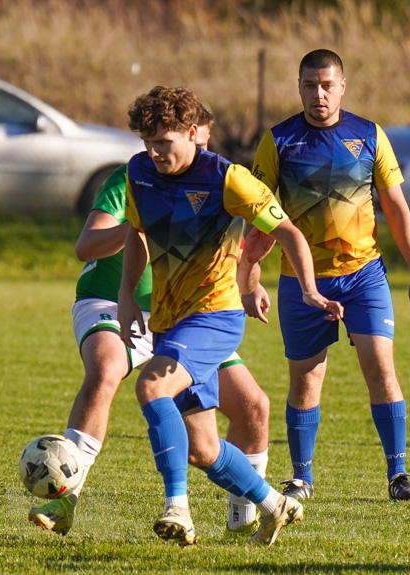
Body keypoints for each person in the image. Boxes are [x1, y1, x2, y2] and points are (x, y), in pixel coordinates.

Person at [28, 107, 272, 538]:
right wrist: (142, 225)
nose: (190, 149)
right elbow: (86, 246)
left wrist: (250, 285)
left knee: (252, 406)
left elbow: (241, 250)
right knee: (106, 369)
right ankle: (66, 498)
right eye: (158, 142)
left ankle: (247, 517)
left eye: (202, 140)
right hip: (112, 300)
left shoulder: (217, 181)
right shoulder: (134, 179)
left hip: (185, 316)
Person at [117, 85, 344, 547]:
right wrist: (125, 295)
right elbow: (137, 235)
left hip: (215, 317)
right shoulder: (138, 172)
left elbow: (288, 232)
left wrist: (309, 290)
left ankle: (177, 507)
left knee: (151, 386)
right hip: (169, 322)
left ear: (193, 134)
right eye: (148, 142)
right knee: (202, 449)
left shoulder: (228, 178)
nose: (156, 152)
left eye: (165, 141)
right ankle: (275, 505)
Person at [248, 49, 410, 503]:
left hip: (363, 276)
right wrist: (250, 279)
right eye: (310, 86)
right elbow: (257, 220)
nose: (319, 95)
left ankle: (399, 476)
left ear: (343, 86)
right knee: (307, 378)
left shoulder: (369, 135)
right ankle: (301, 478)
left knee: (380, 369)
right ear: (299, 88)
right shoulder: (278, 142)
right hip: (301, 281)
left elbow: (396, 210)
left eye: (327, 85)